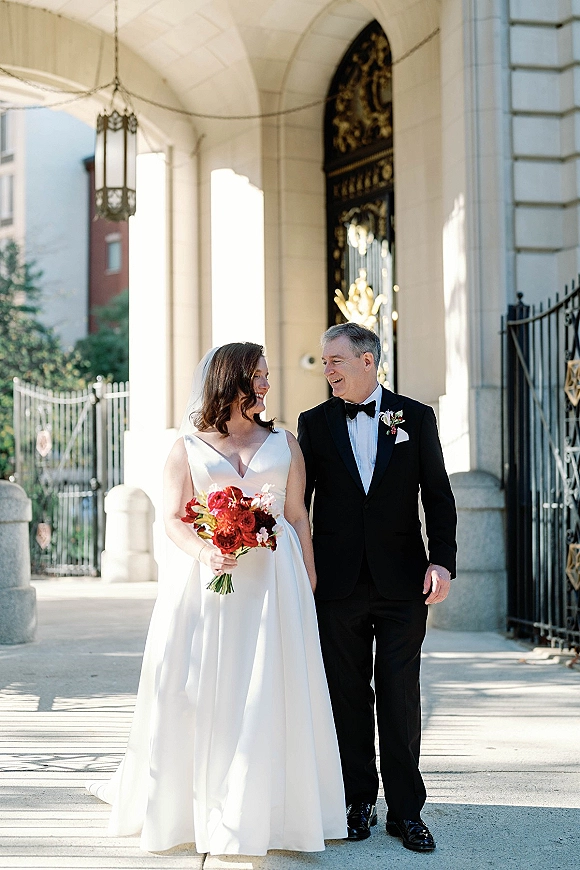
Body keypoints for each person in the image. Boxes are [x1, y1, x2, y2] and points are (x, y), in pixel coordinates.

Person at [87, 342, 347, 856]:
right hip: (210, 586)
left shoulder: (286, 442)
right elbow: (172, 519)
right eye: (259, 376)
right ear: (233, 380)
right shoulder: (186, 448)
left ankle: (277, 807)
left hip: (275, 582)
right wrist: (206, 551)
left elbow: (296, 515)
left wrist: (308, 573)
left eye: (269, 375)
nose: (267, 385)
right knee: (203, 686)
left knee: (273, 684)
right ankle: (201, 802)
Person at [297, 323, 457, 854]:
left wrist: (443, 563)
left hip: (401, 584)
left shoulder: (415, 417)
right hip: (337, 587)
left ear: (368, 361)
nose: (328, 370)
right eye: (323, 362)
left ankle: (406, 811)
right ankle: (356, 799)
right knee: (346, 696)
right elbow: (301, 508)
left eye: (335, 360)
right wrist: (304, 569)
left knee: (399, 696)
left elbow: (437, 494)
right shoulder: (314, 425)